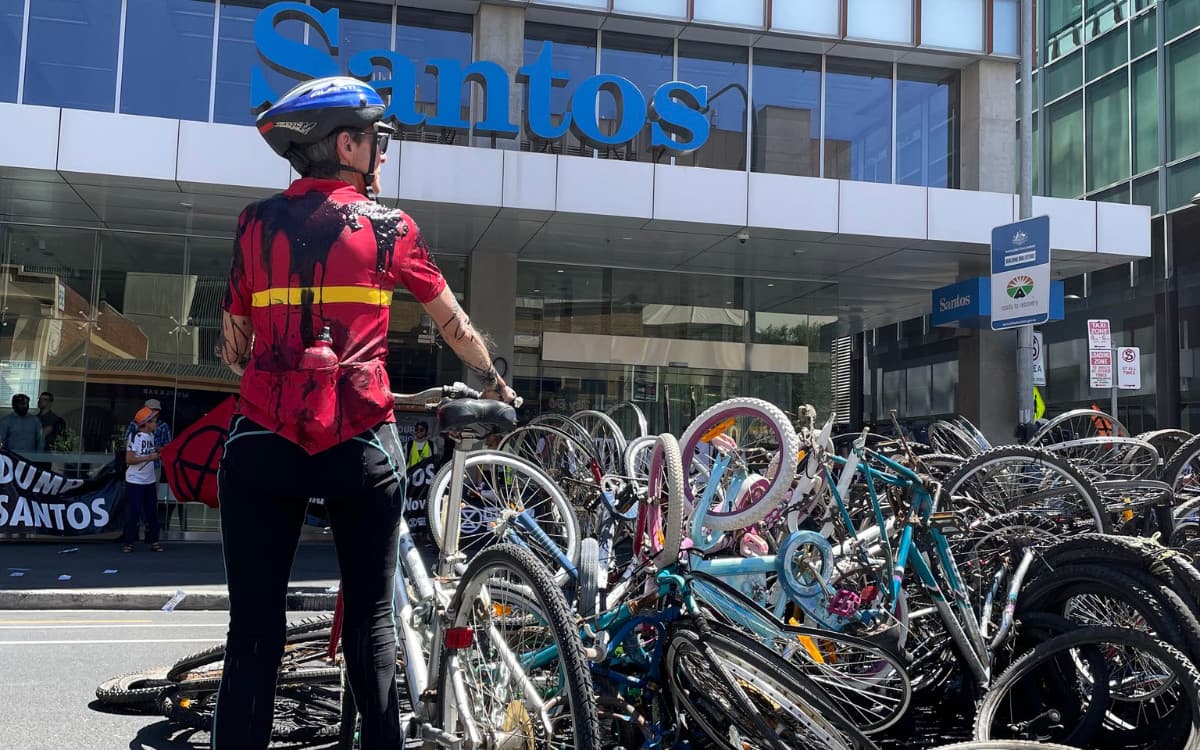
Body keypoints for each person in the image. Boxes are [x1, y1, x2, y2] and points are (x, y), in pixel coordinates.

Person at [214, 76, 516, 750]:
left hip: (263, 441)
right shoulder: (391, 228)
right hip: (360, 446)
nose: (382, 152)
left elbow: (235, 348)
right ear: (344, 143)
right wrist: (495, 380)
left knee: (253, 633)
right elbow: (456, 328)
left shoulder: (254, 223)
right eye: (376, 139)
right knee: (373, 625)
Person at [123, 407, 162, 553]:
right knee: (134, 512)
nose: (156, 423)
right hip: (135, 480)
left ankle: (154, 540)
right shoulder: (135, 437)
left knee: (152, 512)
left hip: (149, 480)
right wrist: (149, 457)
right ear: (146, 423)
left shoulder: (151, 437)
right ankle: (128, 542)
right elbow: (129, 459)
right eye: (154, 421)